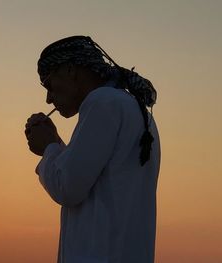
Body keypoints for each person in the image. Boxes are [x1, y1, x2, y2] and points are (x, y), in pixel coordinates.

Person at [24, 35, 161, 263]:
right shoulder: (128, 107)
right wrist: (55, 142)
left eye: (48, 83)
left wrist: (48, 147)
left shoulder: (102, 102)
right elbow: (87, 176)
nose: (48, 99)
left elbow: (67, 187)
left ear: (70, 70)